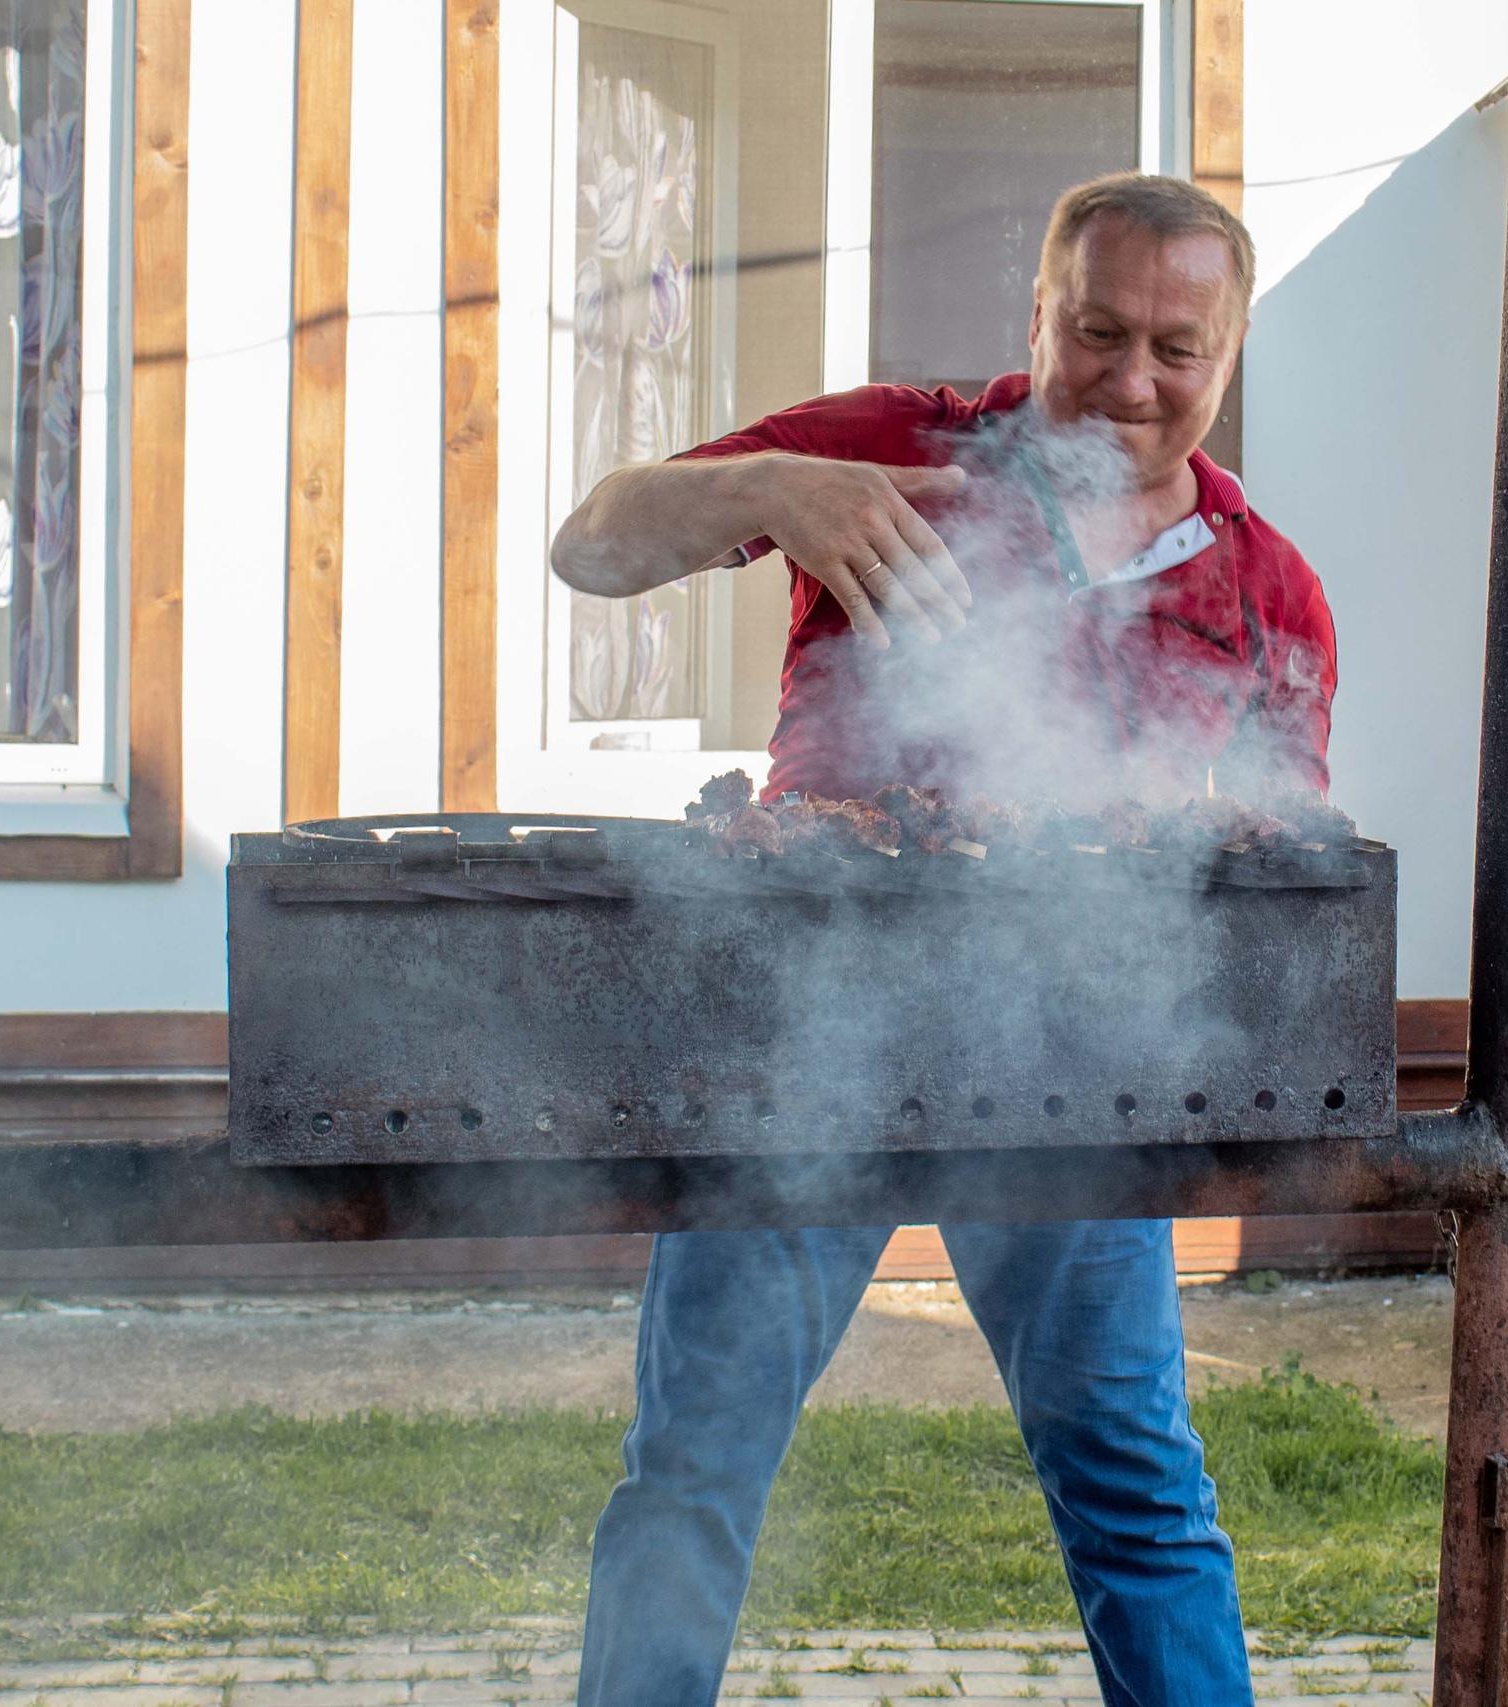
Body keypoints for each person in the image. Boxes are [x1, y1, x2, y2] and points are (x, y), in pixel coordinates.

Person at [549, 172, 1338, 1707]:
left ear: (1229, 354)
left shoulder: (1266, 587)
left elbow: (1278, 875)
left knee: (1138, 1492)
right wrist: (775, 488)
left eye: (1177, 350)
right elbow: (595, 546)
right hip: (803, 1043)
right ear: (1036, 314)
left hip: (1073, 1076)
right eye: (1097, 332)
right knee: (693, 1466)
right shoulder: (892, 450)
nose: (1130, 381)